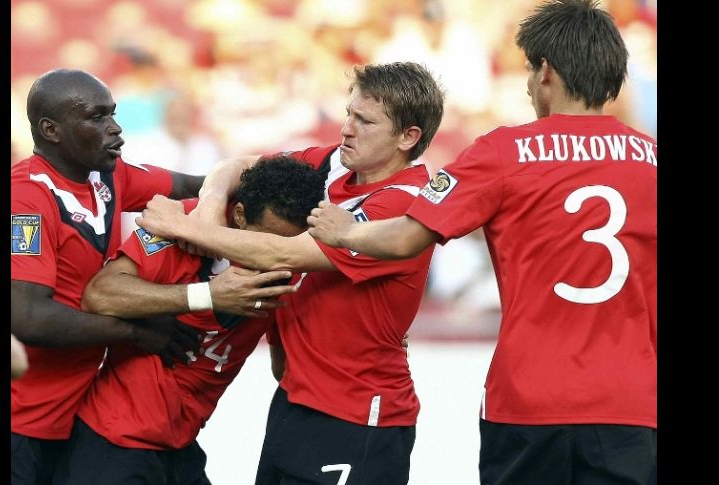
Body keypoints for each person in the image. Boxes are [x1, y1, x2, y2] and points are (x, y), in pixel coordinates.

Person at [307, 2, 657, 484]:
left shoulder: (503, 150)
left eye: (530, 72)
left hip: (530, 400)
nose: (530, 85)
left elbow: (407, 236)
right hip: (634, 405)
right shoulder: (652, 159)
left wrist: (345, 230)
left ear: (547, 72)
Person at [136, 61, 445, 484]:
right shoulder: (333, 165)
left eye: (365, 121)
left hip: (357, 416)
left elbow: (285, 254)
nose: (347, 129)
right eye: (349, 114)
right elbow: (236, 166)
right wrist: (209, 208)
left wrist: (181, 226)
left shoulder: (403, 204)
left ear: (408, 137)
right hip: (296, 400)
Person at [10, 68, 296, 485]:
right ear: (51, 130)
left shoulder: (109, 176)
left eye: (113, 113)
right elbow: (27, 318)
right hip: (20, 417)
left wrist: (211, 207)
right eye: (96, 118)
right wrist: (136, 332)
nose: (115, 128)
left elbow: (210, 180)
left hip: (68, 411)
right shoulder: (26, 200)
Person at [51, 156, 324, 484]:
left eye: (283, 247)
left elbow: (283, 367)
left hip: (180, 445)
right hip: (116, 441)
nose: (271, 256)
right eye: (264, 240)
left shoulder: (293, 261)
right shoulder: (179, 227)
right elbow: (99, 294)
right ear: (238, 215)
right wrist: (207, 295)